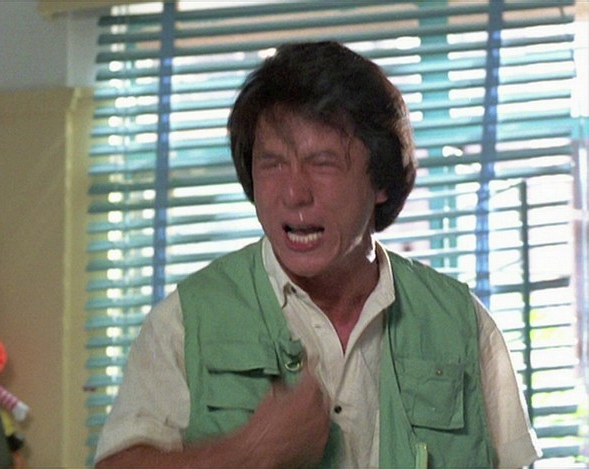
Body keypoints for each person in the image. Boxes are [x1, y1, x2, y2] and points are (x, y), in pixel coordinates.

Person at [94, 41, 540, 468]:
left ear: (381, 182)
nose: (294, 193)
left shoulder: (461, 323)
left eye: (323, 163)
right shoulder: (186, 321)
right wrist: (250, 454)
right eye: (272, 164)